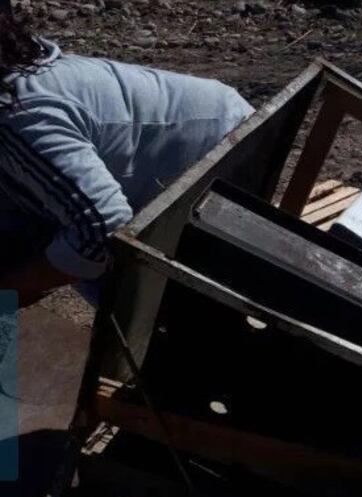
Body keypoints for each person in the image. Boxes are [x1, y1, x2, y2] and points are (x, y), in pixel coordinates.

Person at [0, 0, 254, 307]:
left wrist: (12, 291)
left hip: (223, 158)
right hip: (207, 144)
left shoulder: (18, 115)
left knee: (77, 247)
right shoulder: (23, 72)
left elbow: (102, 227)